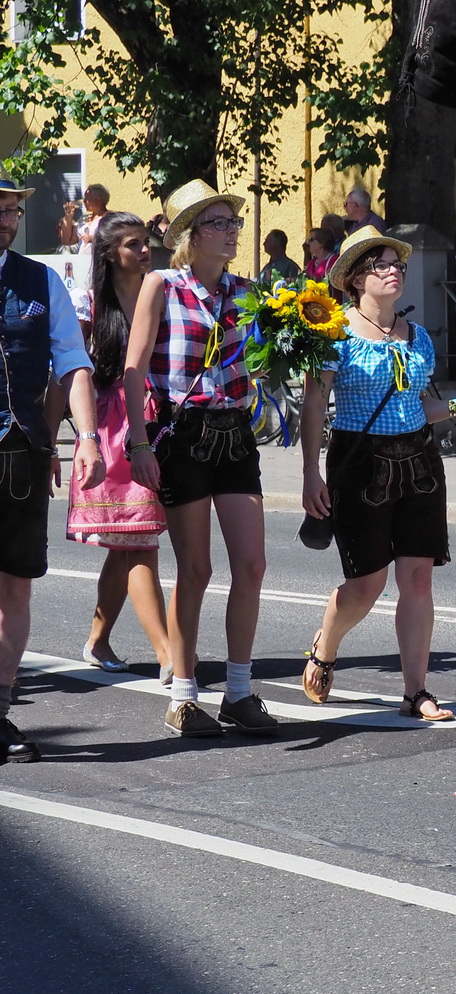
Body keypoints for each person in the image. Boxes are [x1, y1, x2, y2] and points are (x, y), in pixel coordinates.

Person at [300, 228, 456, 719]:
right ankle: (327, 643)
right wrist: (308, 473)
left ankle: (416, 691)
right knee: (367, 584)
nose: (394, 271)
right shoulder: (334, 333)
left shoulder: (419, 337)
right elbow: (314, 404)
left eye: (397, 265)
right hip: (359, 462)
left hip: (420, 463)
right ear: (355, 279)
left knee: (418, 579)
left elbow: (419, 407)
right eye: (382, 265)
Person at [122, 179, 278, 738]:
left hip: (234, 431)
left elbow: (260, 361)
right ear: (190, 235)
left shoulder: (247, 291)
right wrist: (138, 443)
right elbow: (135, 369)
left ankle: (239, 691)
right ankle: (184, 694)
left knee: (253, 564)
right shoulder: (161, 284)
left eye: (234, 223)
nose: (233, 232)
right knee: (196, 568)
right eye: (220, 223)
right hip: (183, 432)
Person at [0, 177, 105, 761]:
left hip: (20, 452)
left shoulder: (41, 281)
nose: (8, 219)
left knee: (15, 584)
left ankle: (0, 708)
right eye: (0, 210)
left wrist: (84, 437)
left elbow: (72, 363)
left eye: (13, 211)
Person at [66, 212, 174, 678]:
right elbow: (70, 373)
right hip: (114, 432)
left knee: (126, 544)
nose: (144, 251)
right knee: (138, 543)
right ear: (110, 254)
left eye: (146, 242)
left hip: (162, 425)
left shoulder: (167, 292)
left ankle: (97, 638)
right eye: (133, 244)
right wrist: (64, 442)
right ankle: (171, 656)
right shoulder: (89, 304)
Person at [57, 184, 110, 251]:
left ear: (98, 200)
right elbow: (67, 241)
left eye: (87, 198)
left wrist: (94, 239)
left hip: (100, 259)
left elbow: (114, 239)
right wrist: (68, 217)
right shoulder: (83, 219)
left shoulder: (109, 218)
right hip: (83, 260)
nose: (84, 201)